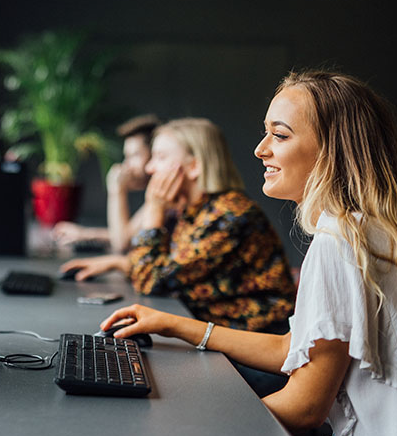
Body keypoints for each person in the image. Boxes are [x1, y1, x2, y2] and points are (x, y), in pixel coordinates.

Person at [100, 71, 397, 436]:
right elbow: (291, 348)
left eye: (279, 135)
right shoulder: (371, 229)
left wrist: (190, 425)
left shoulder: (340, 240)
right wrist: (173, 324)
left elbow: (306, 406)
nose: (260, 149)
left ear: (330, 151)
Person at [62, 117, 296, 333]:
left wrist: (154, 208)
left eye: (160, 158)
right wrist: (118, 262)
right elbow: (170, 269)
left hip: (258, 348)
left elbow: (150, 281)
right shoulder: (196, 210)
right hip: (222, 335)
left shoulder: (229, 215)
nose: (149, 168)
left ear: (194, 166)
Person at [52, 114, 160, 253]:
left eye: (135, 155)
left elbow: (122, 243)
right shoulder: (156, 192)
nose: (127, 165)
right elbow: (133, 234)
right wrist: (85, 234)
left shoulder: (167, 192)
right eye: (126, 157)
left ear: (154, 154)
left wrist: (117, 190)